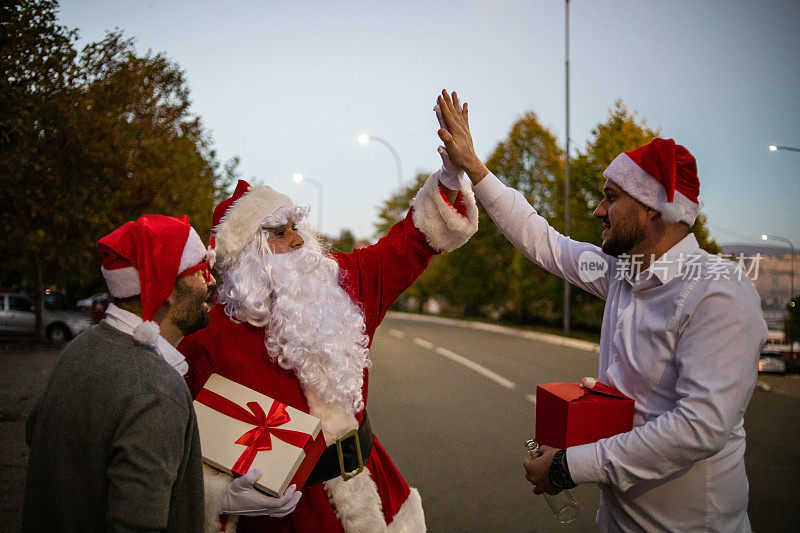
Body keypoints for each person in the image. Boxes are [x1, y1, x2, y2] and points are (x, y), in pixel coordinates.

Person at [436, 90, 768, 532]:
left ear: (652, 208)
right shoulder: (621, 272)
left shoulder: (720, 292)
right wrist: (475, 168)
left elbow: (701, 426)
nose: (597, 210)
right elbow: (543, 241)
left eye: (610, 197)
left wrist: (567, 467)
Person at [178, 150, 479, 532]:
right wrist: (219, 494)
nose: (298, 241)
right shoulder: (208, 338)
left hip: (376, 493)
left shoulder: (343, 282)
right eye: (279, 233)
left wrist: (451, 176)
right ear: (247, 256)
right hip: (290, 517)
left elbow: (409, 244)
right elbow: (180, 446)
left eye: (295, 227)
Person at [22, 214, 217, 532]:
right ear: (166, 285)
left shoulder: (80, 348)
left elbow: (40, 435)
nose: (211, 283)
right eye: (201, 271)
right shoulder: (156, 390)